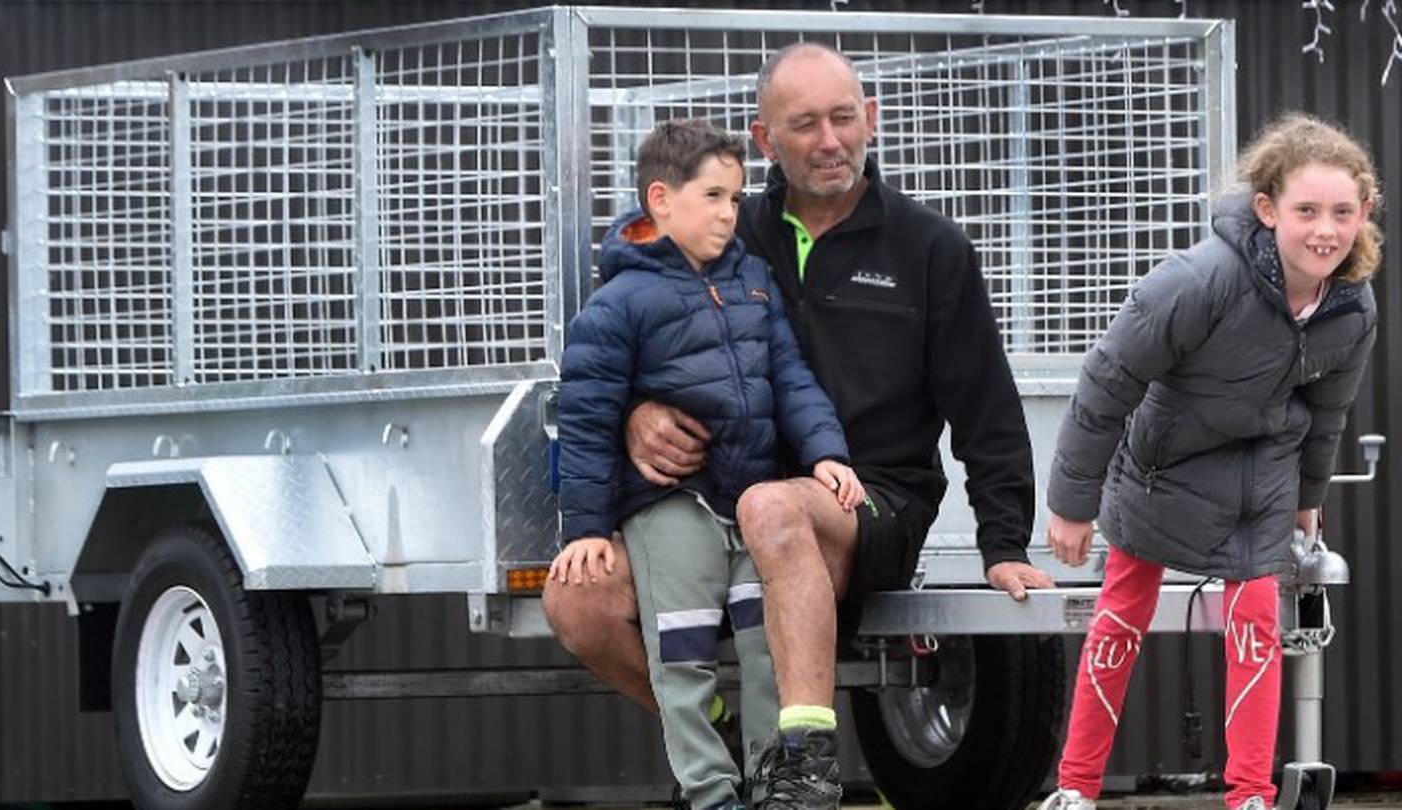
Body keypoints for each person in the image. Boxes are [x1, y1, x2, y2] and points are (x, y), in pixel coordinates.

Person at [544, 43, 1054, 808]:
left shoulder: (929, 248)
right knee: (574, 600)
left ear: (870, 120)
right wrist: (634, 418)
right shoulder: (726, 232)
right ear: (763, 140)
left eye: (844, 118)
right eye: (805, 123)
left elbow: (987, 408)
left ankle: (805, 766)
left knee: (773, 508)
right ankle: (715, 744)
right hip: (718, 498)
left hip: (869, 499)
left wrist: (1003, 543)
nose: (829, 140)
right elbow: (624, 338)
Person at [1039, 113, 1383, 810]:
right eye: (1306, 210)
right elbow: (1108, 379)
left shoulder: (1353, 307)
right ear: (1267, 209)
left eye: (1342, 212)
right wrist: (1072, 503)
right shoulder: (1199, 280)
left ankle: (1249, 795)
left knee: (1257, 622)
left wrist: (1308, 496)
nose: (1325, 230)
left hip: (1262, 474)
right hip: (1163, 463)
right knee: (1120, 618)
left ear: (1365, 213)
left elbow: (1328, 414)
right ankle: (1074, 789)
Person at [552, 118, 864, 810]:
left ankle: (767, 784)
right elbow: (587, 421)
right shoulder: (617, 305)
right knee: (682, 654)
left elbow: (790, 376)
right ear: (660, 200)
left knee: (765, 649)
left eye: (736, 198)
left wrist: (825, 455)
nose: (731, 214)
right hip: (670, 511)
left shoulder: (752, 282)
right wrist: (586, 528)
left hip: (748, 500)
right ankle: (709, 791)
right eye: (715, 197)